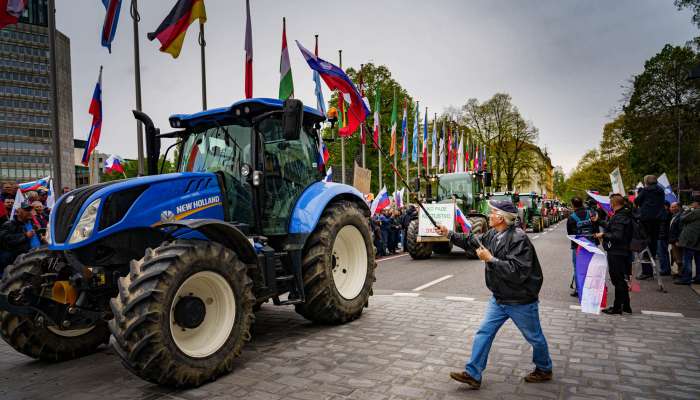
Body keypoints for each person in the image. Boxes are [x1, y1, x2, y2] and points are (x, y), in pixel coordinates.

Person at [438, 200, 552, 389]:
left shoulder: (519, 238)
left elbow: (517, 272)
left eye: (492, 212)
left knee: (534, 337)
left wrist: (490, 259)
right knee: (484, 333)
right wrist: (448, 233)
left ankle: (544, 368)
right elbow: (471, 241)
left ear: (501, 218)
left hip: (520, 300)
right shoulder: (493, 234)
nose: (489, 215)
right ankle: (473, 374)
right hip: (499, 298)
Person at [593, 194, 634, 315]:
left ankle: (617, 308)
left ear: (614, 203)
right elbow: (612, 227)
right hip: (620, 251)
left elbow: (617, 236)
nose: (609, 204)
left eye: (610, 202)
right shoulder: (621, 214)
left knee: (617, 279)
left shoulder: (620, 216)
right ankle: (626, 306)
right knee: (620, 279)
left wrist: (603, 235)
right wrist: (599, 221)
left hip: (617, 252)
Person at [634, 175, 665, 273]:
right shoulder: (661, 190)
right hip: (658, 218)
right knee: (654, 238)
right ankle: (652, 253)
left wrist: (638, 194)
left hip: (646, 218)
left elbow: (637, 201)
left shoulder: (645, 190)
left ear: (646, 181)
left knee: (644, 240)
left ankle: (647, 267)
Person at [0, 201, 41, 275]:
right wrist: (25, 236)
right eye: (26, 210)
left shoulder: (33, 223)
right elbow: (6, 240)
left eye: (30, 210)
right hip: (19, 264)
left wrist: (42, 238)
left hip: (35, 259)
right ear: (18, 212)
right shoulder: (9, 225)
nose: (29, 212)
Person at [566, 197, 597, 297]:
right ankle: (591, 289)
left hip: (578, 246)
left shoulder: (572, 217)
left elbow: (570, 233)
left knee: (578, 268)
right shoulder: (591, 214)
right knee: (590, 267)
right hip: (591, 245)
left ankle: (579, 290)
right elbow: (596, 228)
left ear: (573, 205)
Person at [674, 196, 700, 285]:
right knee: (698, 260)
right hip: (697, 239)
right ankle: (698, 277)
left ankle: (686, 278)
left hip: (690, 239)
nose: (692, 204)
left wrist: (688, 209)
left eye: (693, 203)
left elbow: (683, 218)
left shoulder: (696, 212)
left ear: (697, 203)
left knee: (687, 259)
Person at [669, 202, 683, 277]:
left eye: (674, 207)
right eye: (672, 207)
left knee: (679, 258)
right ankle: (679, 272)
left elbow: (680, 230)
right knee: (676, 257)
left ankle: (681, 274)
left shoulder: (680, 217)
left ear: (679, 207)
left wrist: (678, 240)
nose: (672, 208)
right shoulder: (674, 216)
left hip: (677, 241)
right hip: (673, 241)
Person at [658, 202, 672, 275]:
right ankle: (666, 269)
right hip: (664, 235)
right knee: (664, 253)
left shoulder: (665, 213)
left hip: (662, 236)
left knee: (662, 253)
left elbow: (662, 224)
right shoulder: (667, 213)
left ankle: (664, 269)